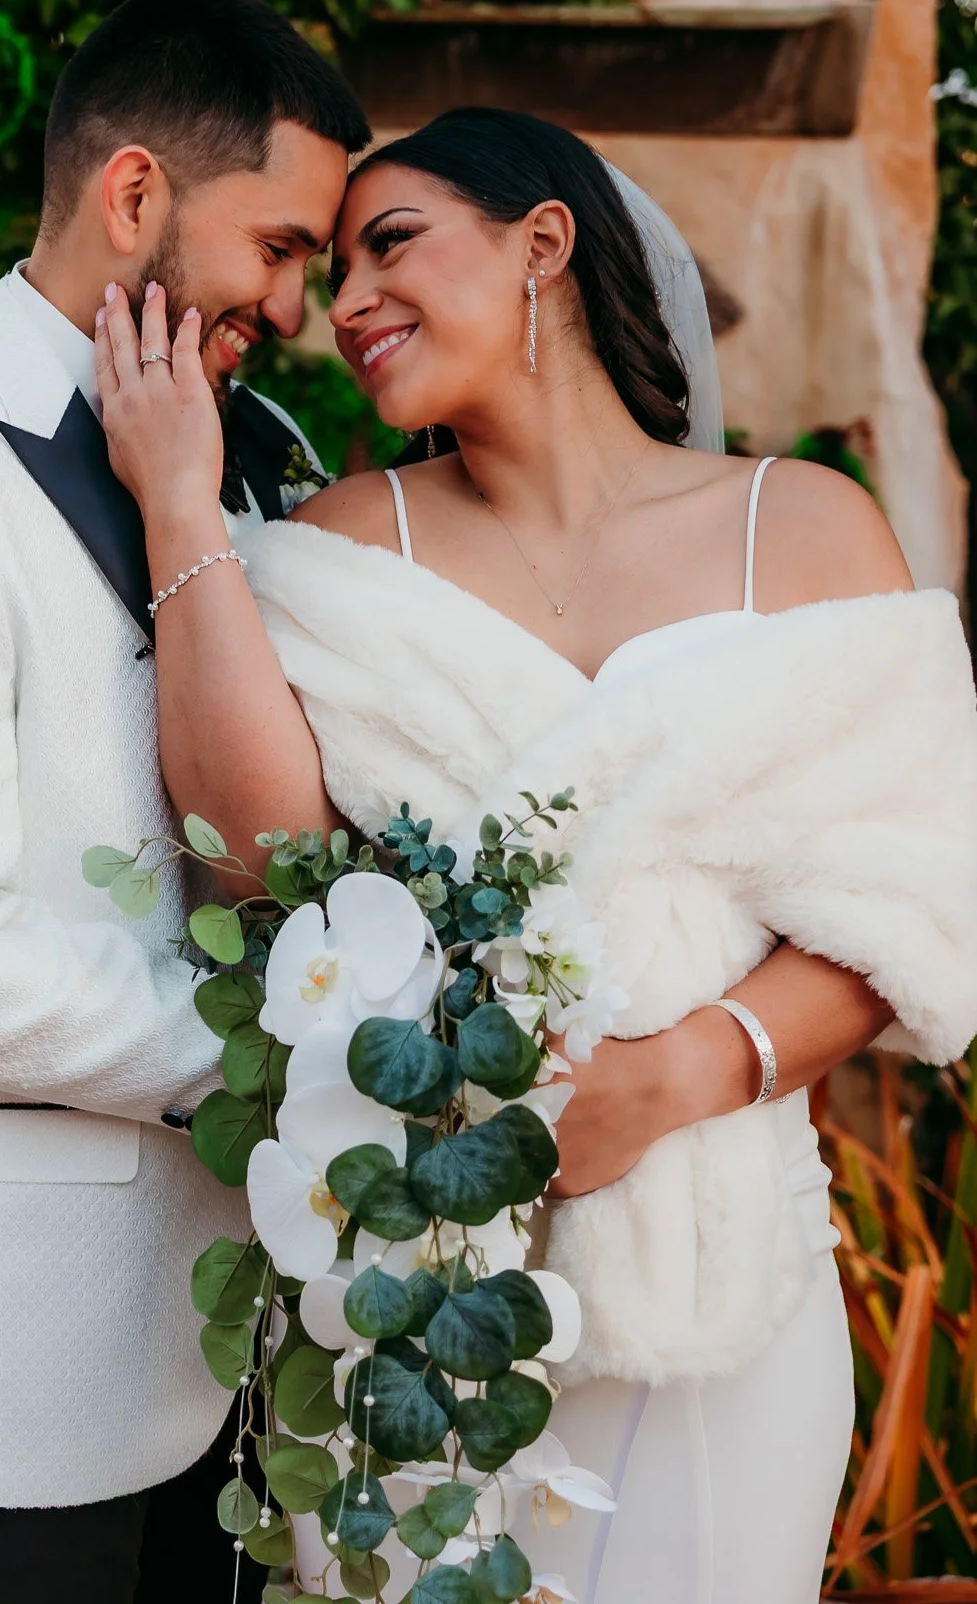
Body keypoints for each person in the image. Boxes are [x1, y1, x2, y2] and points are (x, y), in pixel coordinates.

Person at [95, 106, 977, 1604]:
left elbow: (921, 901)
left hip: (726, 1292)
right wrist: (181, 499)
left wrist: (688, 1071)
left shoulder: (810, 530)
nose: (345, 304)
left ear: (544, 244)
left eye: (394, 245)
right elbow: (263, 864)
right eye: (335, 263)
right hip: (430, 1270)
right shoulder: (349, 542)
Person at [0, 0, 370, 1604]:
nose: (297, 306)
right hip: (8, 1354)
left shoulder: (259, 465)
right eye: (284, 248)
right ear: (134, 199)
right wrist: (293, 1060)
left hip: (230, 1350)